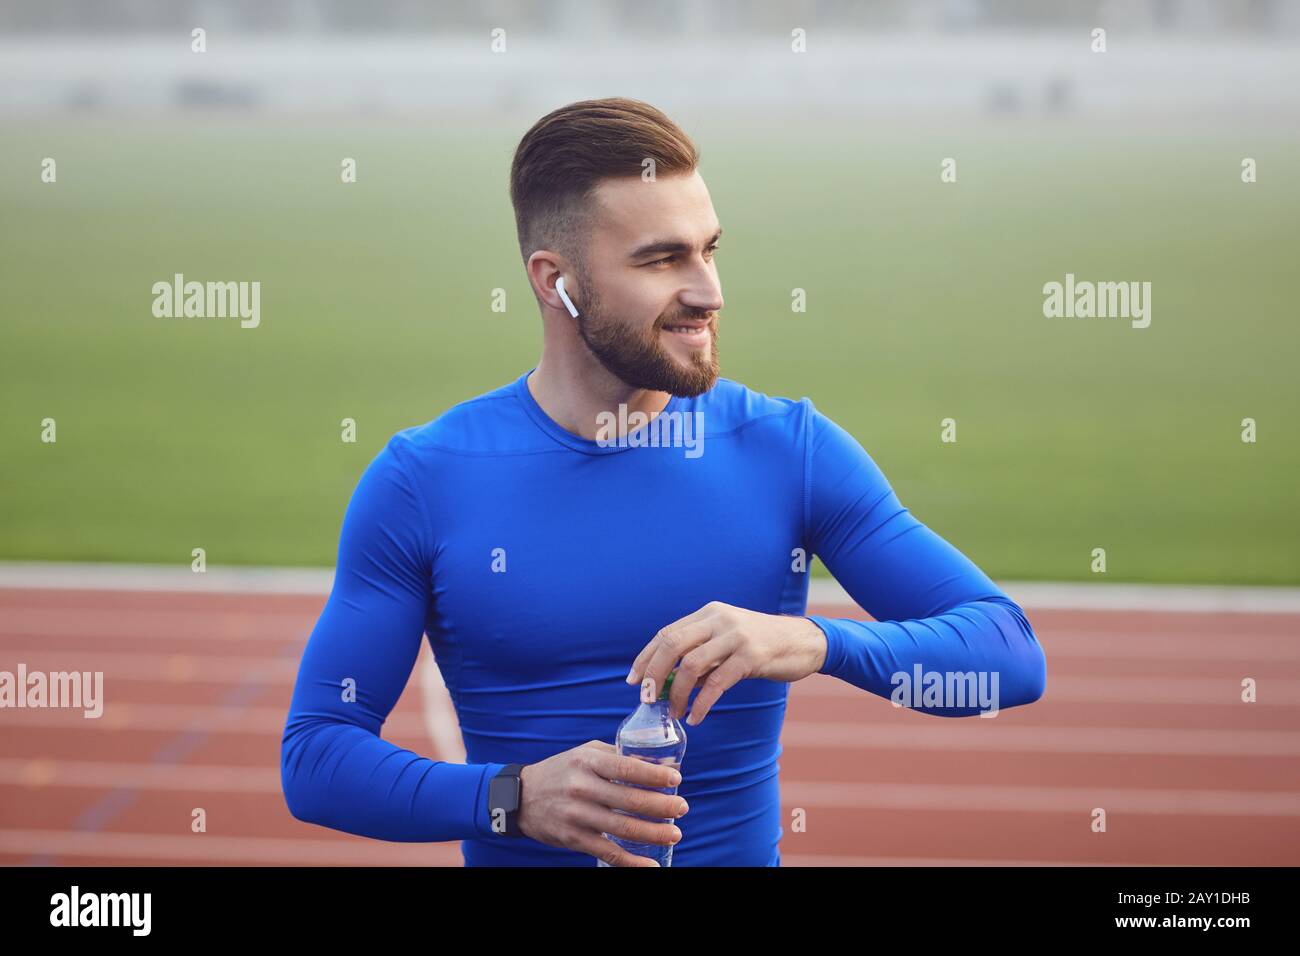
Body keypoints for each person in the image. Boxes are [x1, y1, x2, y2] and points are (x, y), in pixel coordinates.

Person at [280, 97, 1047, 867]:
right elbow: (316, 758)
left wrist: (815, 640)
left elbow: (1008, 657)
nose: (709, 292)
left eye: (710, 250)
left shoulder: (789, 449)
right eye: (662, 259)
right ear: (557, 282)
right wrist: (507, 799)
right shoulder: (425, 480)